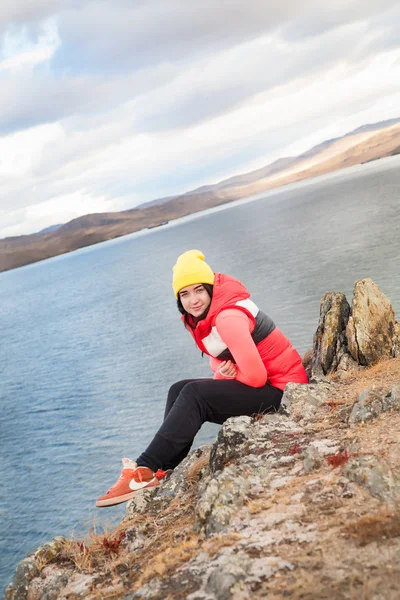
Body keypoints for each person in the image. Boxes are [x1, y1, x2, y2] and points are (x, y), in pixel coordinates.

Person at [96, 250, 308, 507]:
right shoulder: (204, 316)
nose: (193, 300)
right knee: (179, 389)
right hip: (269, 386)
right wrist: (224, 371)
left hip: (286, 392)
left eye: (198, 290)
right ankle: (165, 469)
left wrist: (228, 373)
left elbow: (254, 376)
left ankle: (143, 469)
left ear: (210, 289)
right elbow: (218, 358)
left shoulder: (227, 317)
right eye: (184, 294)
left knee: (195, 395)